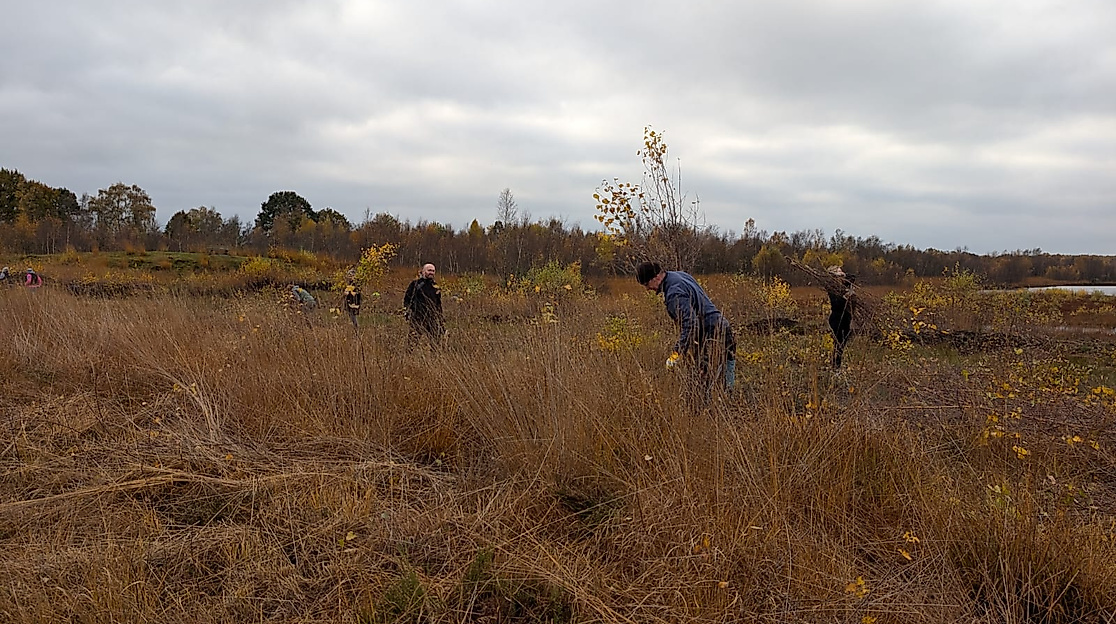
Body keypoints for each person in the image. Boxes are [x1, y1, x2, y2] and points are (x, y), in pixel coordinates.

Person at [636, 261, 736, 395]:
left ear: (656, 278)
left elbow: (691, 324)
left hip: (712, 337)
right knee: (726, 377)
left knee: (702, 386)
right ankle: (729, 396)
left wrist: (675, 354)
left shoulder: (673, 293)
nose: (648, 289)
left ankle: (704, 412)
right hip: (724, 327)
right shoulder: (679, 276)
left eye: (647, 285)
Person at [403, 263, 444, 348]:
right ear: (423, 271)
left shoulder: (435, 286)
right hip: (417, 317)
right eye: (429, 270)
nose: (431, 273)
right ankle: (408, 358)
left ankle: (434, 359)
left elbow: (438, 303)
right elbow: (407, 299)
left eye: (433, 271)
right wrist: (407, 311)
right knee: (412, 342)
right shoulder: (415, 284)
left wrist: (440, 317)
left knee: (435, 342)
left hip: (432, 318)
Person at [826, 266, 856, 370]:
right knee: (837, 344)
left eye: (841, 271)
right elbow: (837, 304)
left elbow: (853, 277)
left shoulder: (845, 284)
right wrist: (845, 298)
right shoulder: (832, 287)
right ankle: (835, 366)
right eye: (838, 272)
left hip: (846, 319)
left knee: (842, 344)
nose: (841, 273)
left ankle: (836, 365)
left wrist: (844, 276)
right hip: (836, 318)